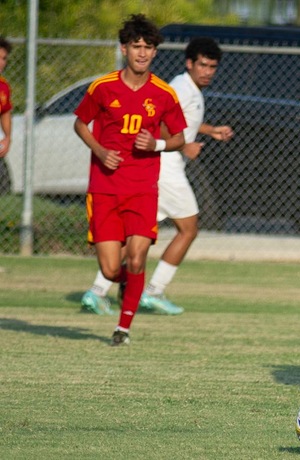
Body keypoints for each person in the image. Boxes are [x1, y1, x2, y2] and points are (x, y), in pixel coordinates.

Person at [80, 36, 233, 316]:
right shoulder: (180, 88)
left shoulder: (190, 90)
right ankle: (153, 292)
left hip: (159, 168)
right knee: (189, 229)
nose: (208, 71)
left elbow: (183, 122)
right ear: (189, 63)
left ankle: (97, 291)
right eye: (203, 65)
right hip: (164, 166)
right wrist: (183, 144)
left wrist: (209, 131)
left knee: (135, 239)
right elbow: (159, 123)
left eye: (213, 67)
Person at [73, 14, 186, 345]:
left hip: (141, 190)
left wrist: (157, 144)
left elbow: (179, 137)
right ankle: (126, 283)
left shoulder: (164, 93)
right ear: (124, 49)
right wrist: (98, 149)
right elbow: (80, 123)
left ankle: (123, 328)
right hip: (105, 189)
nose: (142, 53)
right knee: (111, 270)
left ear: (154, 52)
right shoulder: (103, 87)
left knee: (137, 257)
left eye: (148, 47)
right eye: (136, 46)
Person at [0, 37, 12, 159]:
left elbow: (5, 112)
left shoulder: (3, 86)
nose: (1, 62)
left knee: (5, 178)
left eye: (4, 58)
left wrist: (7, 138)